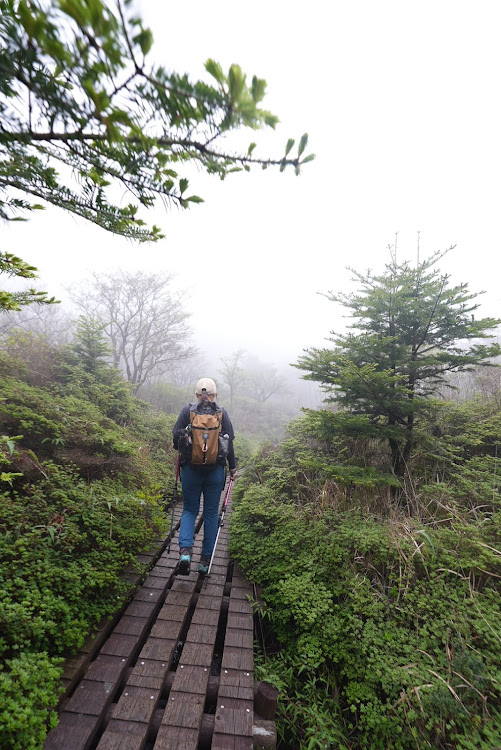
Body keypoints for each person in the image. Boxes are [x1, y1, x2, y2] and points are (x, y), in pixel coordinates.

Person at [172, 377, 237, 575]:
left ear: (197, 395)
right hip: (215, 472)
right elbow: (229, 443)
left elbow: (176, 440)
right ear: (214, 394)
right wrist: (233, 469)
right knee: (210, 514)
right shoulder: (221, 413)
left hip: (190, 470)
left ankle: (185, 552)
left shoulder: (187, 411)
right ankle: (205, 561)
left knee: (190, 510)